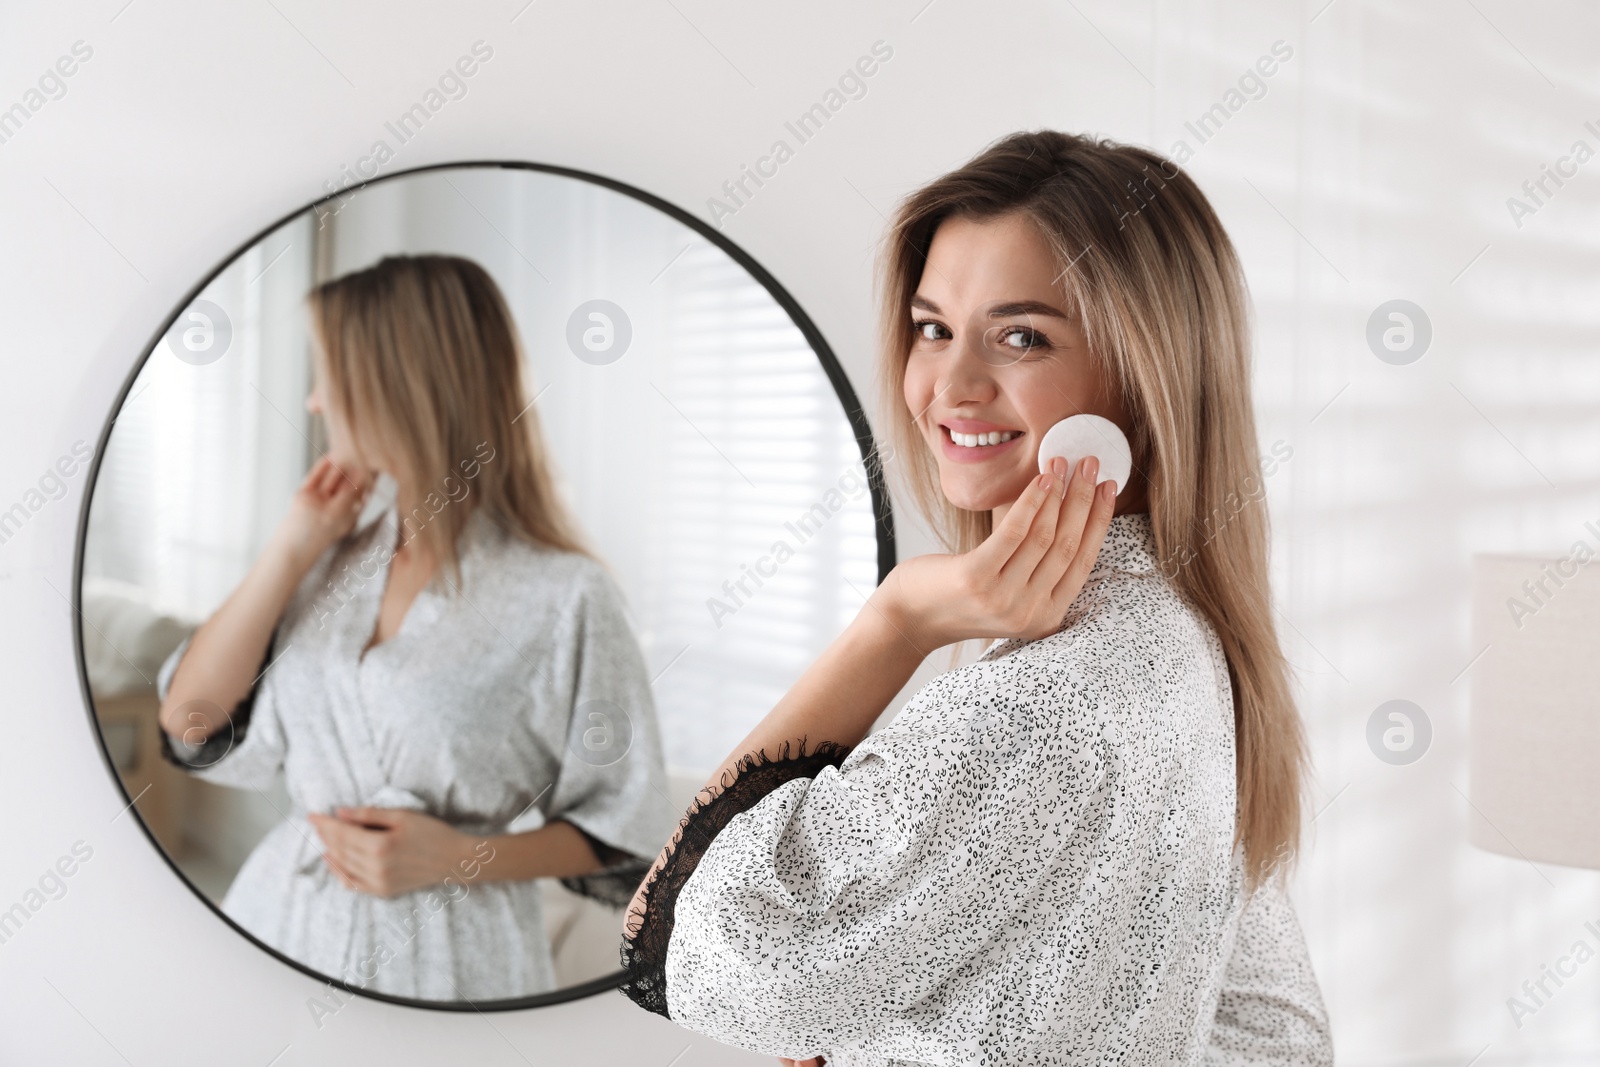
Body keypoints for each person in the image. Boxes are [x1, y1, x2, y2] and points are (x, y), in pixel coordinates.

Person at [617, 131, 1334, 1064]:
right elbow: (1279, 1039)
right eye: (932, 328)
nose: (949, 387)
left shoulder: (1035, 707)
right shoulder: (1185, 643)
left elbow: (662, 949)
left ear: (1149, 372)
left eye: (1021, 336)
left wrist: (896, 620)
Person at [156, 253, 676, 1001]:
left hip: (452, 962)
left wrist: (458, 856)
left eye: (327, 373)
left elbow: (627, 833)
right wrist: (293, 544)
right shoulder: (329, 561)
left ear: (395, 383)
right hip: (279, 926)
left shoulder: (567, 594)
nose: (312, 401)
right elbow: (188, 723)